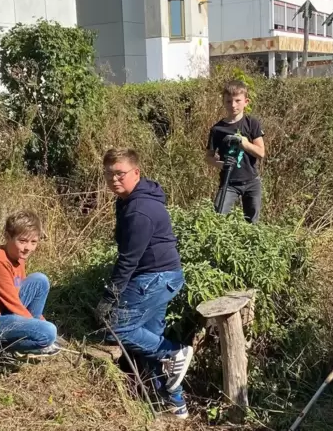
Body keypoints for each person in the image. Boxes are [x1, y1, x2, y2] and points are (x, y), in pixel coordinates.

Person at [95, 148, 193, 419]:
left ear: (136, 172)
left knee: (117, 327)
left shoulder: (140, 209)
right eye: (108, 174)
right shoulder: (128, 200)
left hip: (155, 277)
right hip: (161, 277)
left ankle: (175, 353)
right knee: (149, 338)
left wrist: (110, 295)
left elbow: (128, 259)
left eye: (120, 173)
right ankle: (174, 403)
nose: (114, 179)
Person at [0, 211, 60, 357]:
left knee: (40, 280)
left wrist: (39, 321)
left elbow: (17, 293)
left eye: (34, 242)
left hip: (1, 312)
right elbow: (13, 303)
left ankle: (31, 333)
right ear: (8, 237)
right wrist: (40, 326)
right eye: (23, 241)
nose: (28, 248)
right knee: (49, 332)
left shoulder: (18, 257)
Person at [205, 79, 265, 224]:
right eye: (228, 101)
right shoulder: (217, 129)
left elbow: (261, 153)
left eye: (238, 100)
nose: (233, 105)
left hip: (252, 181)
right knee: (218, 218)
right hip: (229, 182)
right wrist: (222, 164)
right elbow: (208, 157)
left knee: (252, 223)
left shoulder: (252, 123)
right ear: (223, 102)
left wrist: (244, 144)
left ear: (246, 101)